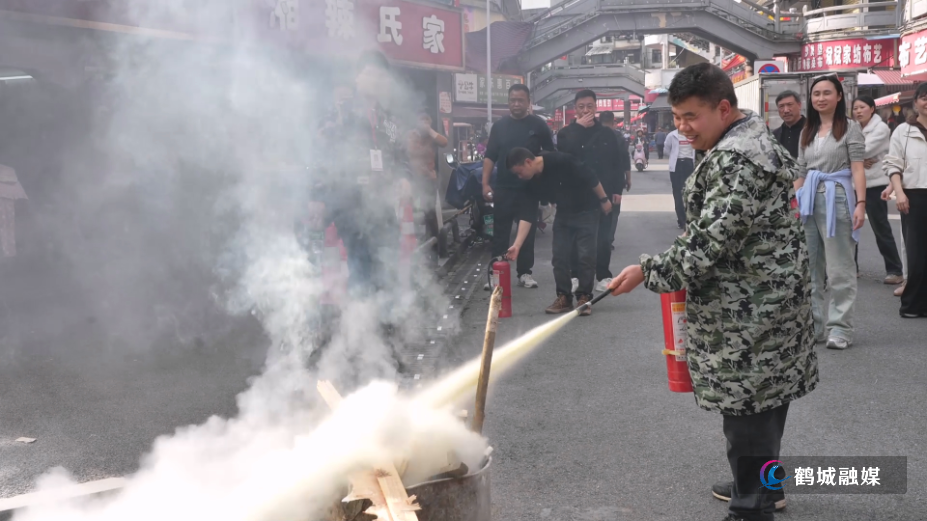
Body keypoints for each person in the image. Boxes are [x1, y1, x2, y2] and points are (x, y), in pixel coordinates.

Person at [607, 63, 817, 521]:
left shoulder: (734, 159)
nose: (682, 128)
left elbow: (708, 244)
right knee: (764, 405)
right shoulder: (749, 138)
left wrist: (647, 270)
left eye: (690, 117)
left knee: (747, 416)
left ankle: (750, 507)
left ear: (724, 108)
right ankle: (763, 486)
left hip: (751, 313)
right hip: (769, 302)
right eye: (676, 117)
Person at [310, 50, 411, 295]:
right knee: (362, 266)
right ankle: (363, 325)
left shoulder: (389, 120)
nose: (374, 80)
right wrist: (317, 198)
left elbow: (401, 157)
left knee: (386, 265)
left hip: (383, 204)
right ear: (357, 77)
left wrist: (405, 177)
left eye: (379, 75)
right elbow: (320, 157)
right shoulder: (339, 115)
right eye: (369, 74)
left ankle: (385, 321)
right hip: (350, 203)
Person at [794, 74, 867, 350]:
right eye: (816, 94)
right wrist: (793, 204)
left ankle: (841, 328)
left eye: (827, 93)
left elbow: (858, 167)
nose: (821, 98)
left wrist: (861, 203)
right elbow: (801, 172)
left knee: (839, 269)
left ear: (839, 96)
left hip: (838, 198)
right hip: (808, 200)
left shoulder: (850, 128)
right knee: (809, 268)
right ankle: (813, 326)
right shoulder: (807, 131)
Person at [504, 148, 612, 315]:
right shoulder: (530, 182)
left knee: (585, 256)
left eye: (519, 173)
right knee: (559, 256)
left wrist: (604, 199)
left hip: (587, 210)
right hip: (563, 213)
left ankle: (584, 297)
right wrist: (517, 245)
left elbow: (590, 176)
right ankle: (564, 298)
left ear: (528, 162)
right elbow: (527, 214)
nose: (520, 177)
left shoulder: (561, 160)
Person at [482, 84, 555, 289]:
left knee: (528, 231)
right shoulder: (499, 126)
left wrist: (546, 185)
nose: (516, 103)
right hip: (503, 187)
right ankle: (497, 272)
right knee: (501, 231)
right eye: (513, 100)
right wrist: (485, 183)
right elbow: (490, 156)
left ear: (528, 102)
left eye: (520, 100)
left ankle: (525, 273)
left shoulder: (538, 126)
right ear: (508, 101)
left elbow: (549, 155)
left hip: (529, 188)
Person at [557, 93, 628, 292]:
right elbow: (564, 156)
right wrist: (579, 128)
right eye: (581, 106)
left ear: (596, 107)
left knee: (604, 237)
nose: (585, 110)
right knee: (575, 237)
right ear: (575, 108)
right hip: (575, 195)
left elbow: (617, 163)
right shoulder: (566, 133)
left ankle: (603, 275)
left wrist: (617, 190)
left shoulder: (607, 134)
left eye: (589, 106)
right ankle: (575, 275)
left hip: (604, 194)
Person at [882, 82, 927, 318]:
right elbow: (893, 164)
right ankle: (912, 306)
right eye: (923, 97)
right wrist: (899, 192)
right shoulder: (903, 131)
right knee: (917, 253)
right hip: (914, 196)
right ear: (916, 102)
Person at [852, 96, 904, 285]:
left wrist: (854, 157)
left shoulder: (880, 128)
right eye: (855, 108)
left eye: (862, 107)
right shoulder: (853, 128)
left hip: (874, 185)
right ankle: (852, 267)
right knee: (851, 227)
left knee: (880, 228)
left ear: (872, 109)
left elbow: (862, 151)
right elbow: (848, 151)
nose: (858, 111)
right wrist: (855, 160)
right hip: (854, 184)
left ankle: (895, 270)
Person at [407, 112, 449, 242]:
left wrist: (430, 131)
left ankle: (434, 239)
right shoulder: (412, 135)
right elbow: (412, 153)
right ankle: (412, 238)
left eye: (427, 122)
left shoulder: (431, 136)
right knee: (411, 208)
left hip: (429, 178)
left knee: (430, 210)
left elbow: (444, 142)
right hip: (414, 177)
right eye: (422, 122)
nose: (425, 124)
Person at [663, 128, 696, 230]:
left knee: (690, 192)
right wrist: (674, 157)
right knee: (677, 193)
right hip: (676, 165)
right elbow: (666, 150)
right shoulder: (672, 135)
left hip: (689, 164)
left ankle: (690, 218)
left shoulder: (693, 134)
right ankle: (681, 220)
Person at [772, 90, 805, 158]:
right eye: (781, 106)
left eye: (790, 105)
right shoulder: (775, 135)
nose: (786, 110)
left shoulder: (813, 129)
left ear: (799, 105)